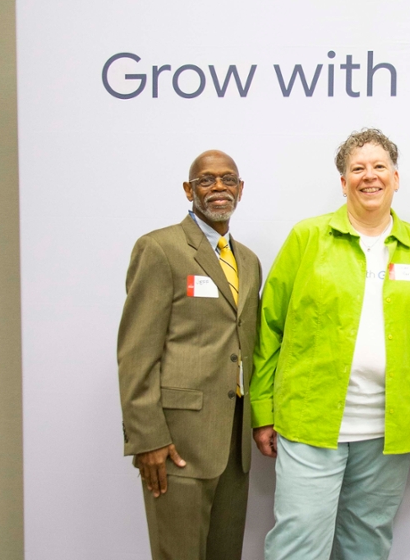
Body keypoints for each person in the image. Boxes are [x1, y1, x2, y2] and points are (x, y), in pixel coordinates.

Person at [250, 128, 410, 560]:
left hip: (389, 429)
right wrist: (262, 411)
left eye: (379, 166)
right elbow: (270, 327)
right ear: (343, 182)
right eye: (357, 168)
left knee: (366, 543)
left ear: (396, 178)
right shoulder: (308, 239)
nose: (369, 176)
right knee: (298, 544)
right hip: (310, 423)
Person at [117, 150, 261, 560]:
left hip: (234, 445)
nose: (218, 187)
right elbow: (135, 352)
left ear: (241, 189)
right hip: (176, 444)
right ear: (188, 189)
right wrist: (148, 439)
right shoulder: (160, 249)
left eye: (228, 179)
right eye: (206, 180)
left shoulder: (248, 261)